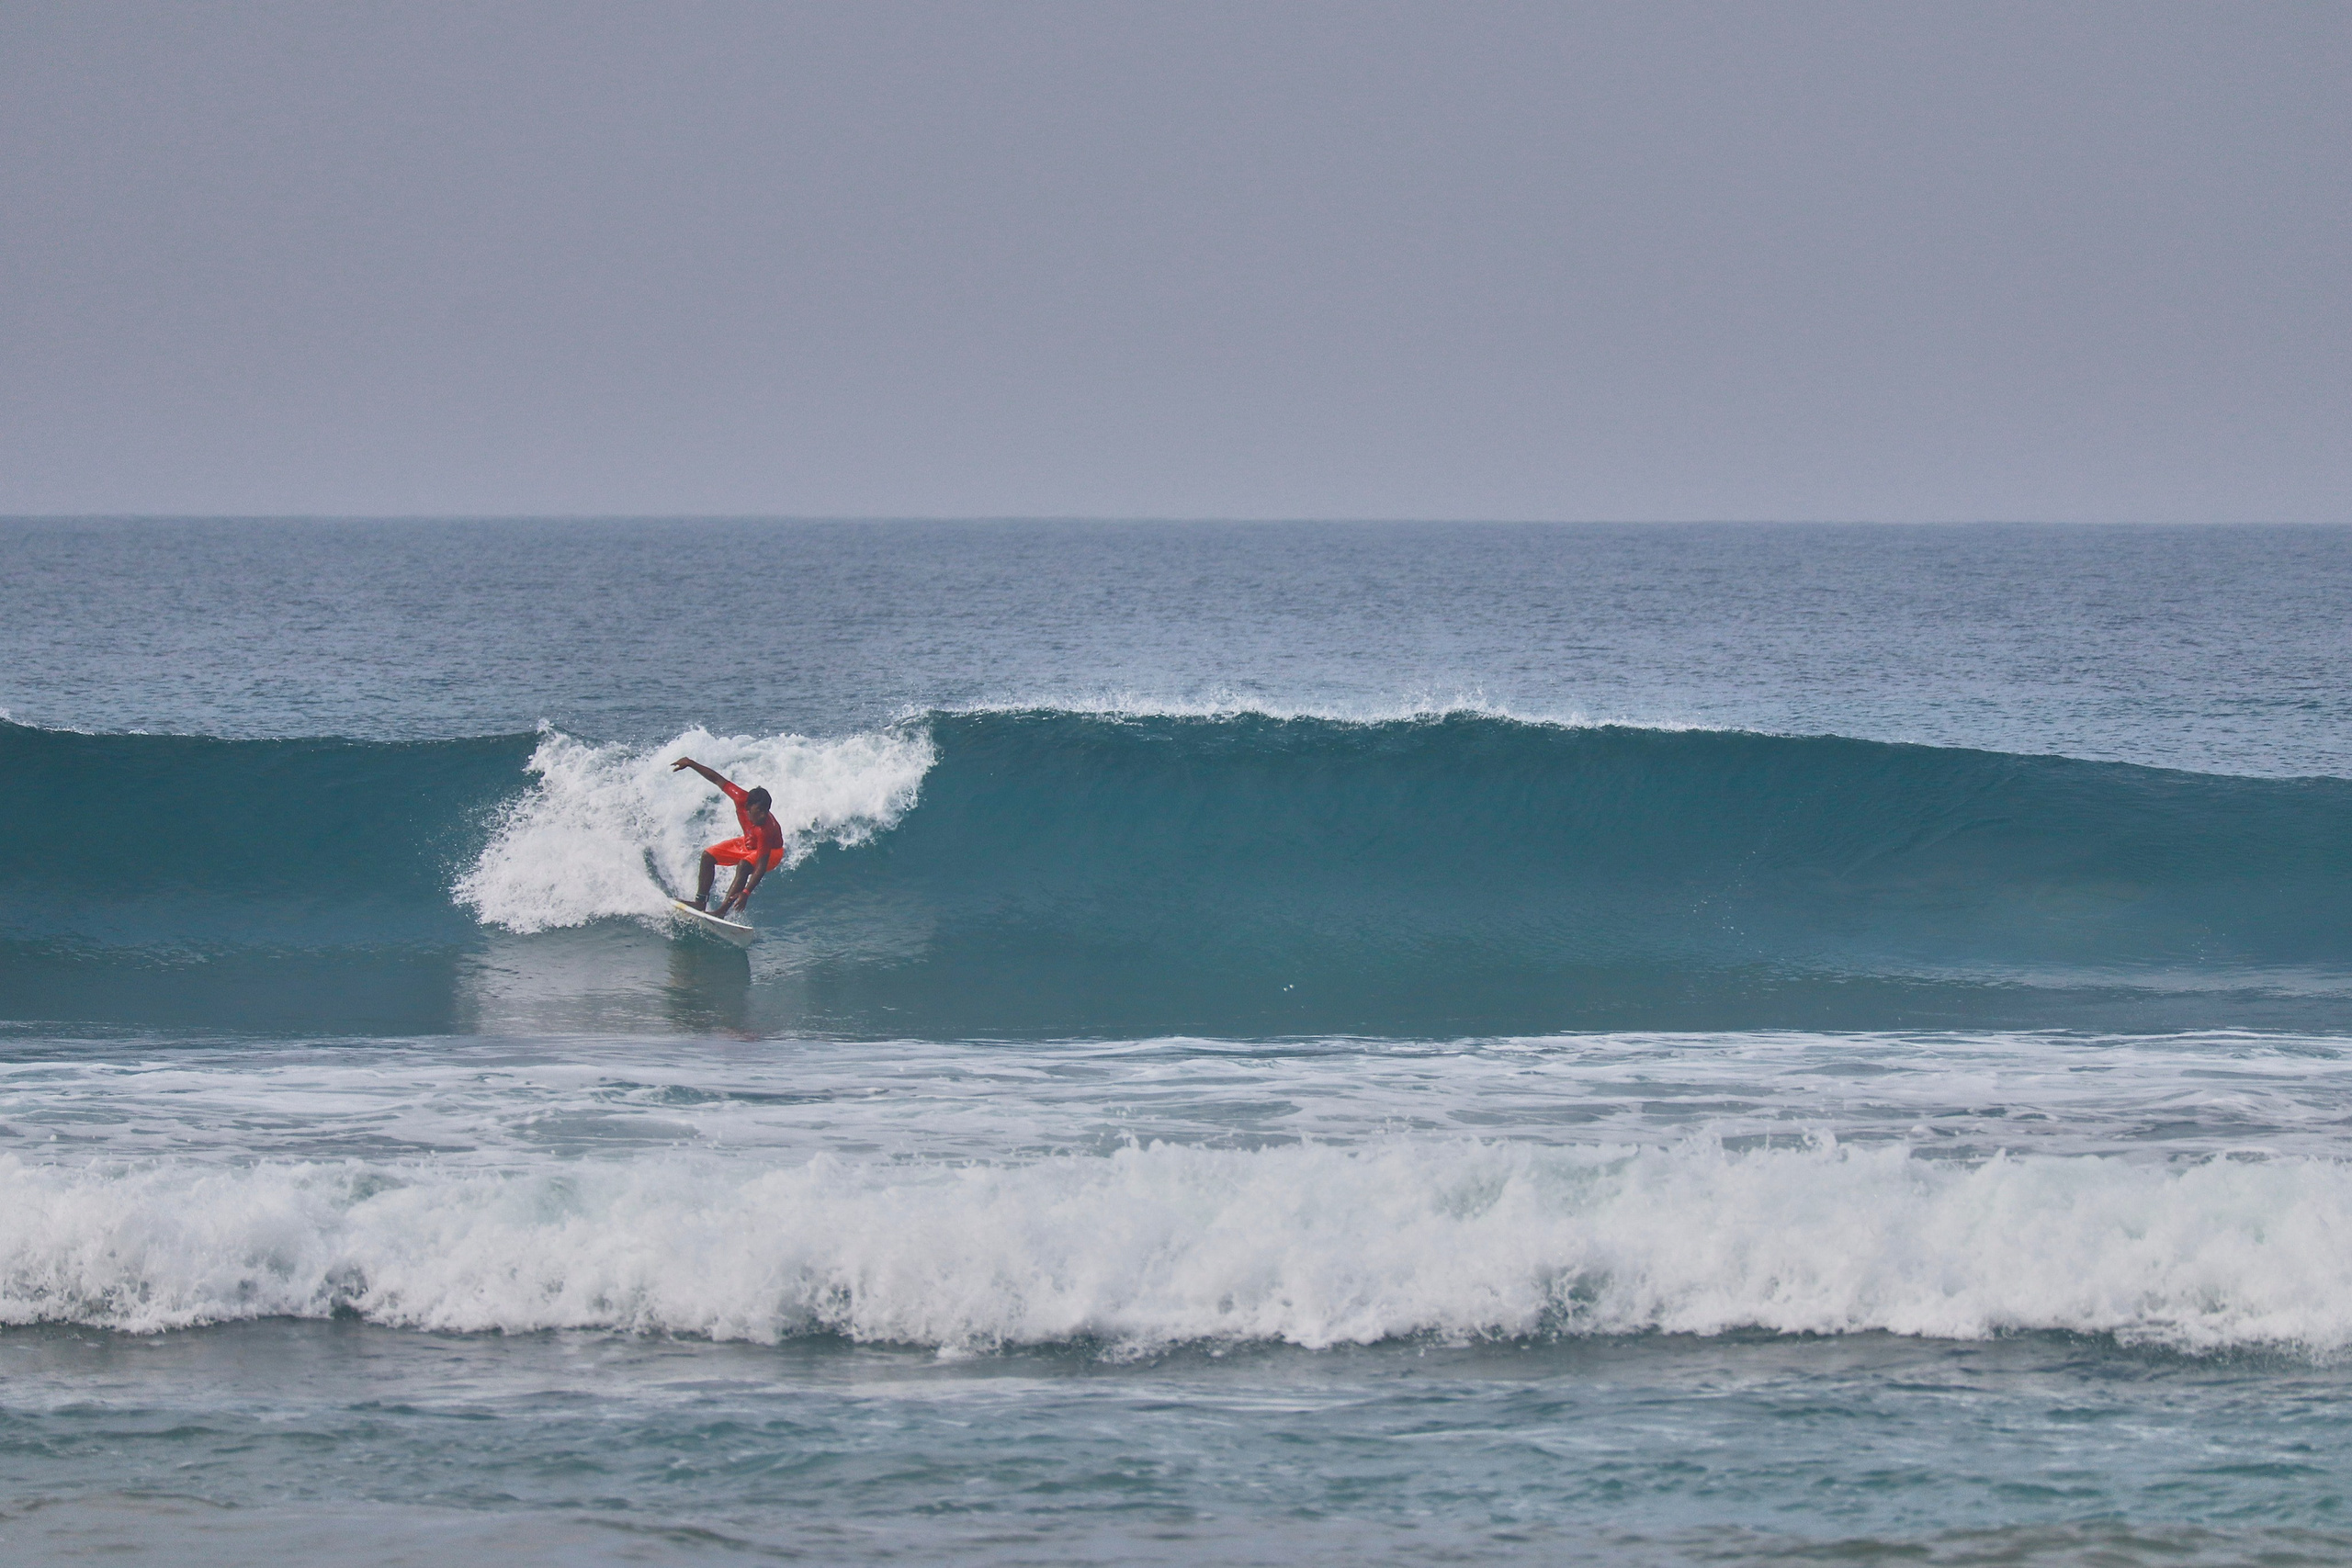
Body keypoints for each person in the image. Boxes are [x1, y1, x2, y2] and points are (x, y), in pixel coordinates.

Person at [670, 756, 786, 919]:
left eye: (766, 811)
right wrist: (691, 763)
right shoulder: (740, 798)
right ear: (748, 807)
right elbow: (716, 779)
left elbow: (760, 866)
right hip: (749, 842)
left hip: (772, 851)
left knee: (744, 865)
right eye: (759, 810)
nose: (763, 815)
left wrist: (746, 892)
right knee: (708, 856)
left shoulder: (766, 828)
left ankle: (721, 912)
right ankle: (700, 902)